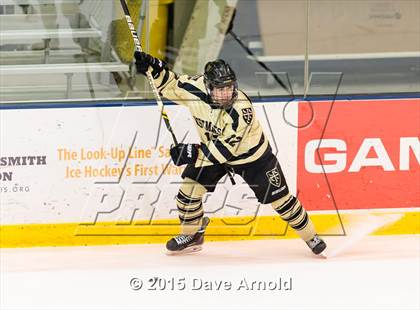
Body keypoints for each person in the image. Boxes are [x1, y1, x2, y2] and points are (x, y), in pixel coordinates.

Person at [134, 51, 326, 255]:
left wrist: (191, 153)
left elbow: (224, 151)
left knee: (281, 201)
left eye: (229, 87)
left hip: (253, 158)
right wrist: (154, 68)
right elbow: (170, 86)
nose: (226, 93)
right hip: (211, 151)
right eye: (220, 89)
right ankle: (193, 235)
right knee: (187, 195)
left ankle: (311, 236)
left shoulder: (241, 110)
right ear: (207, 87)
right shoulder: (194, 88)